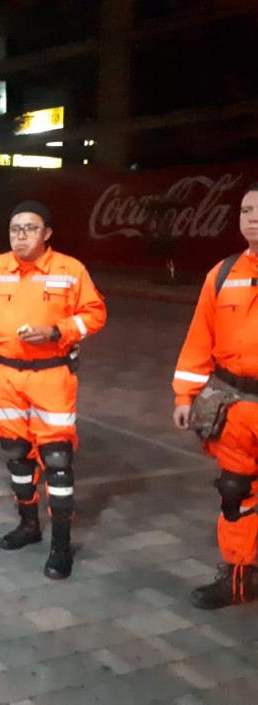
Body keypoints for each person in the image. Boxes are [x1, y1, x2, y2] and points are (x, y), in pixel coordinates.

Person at [0, 201, 106, 580]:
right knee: (17, 455)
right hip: (3, 377)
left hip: (51, 377)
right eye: (15, 228)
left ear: (47, 233)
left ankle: (61, 545)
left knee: (57, 460)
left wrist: (57, 332)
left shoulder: (70, 271)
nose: (21, 235)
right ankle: (28, 524)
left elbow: (95, 314)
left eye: (30, 228)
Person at [172, 183, 258, 609]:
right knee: (235, 491)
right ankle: (240, 577)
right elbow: (197, 341)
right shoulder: (222, 275)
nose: (253, 217)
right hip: (235, 407)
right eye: (246, 210)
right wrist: (184, 395)